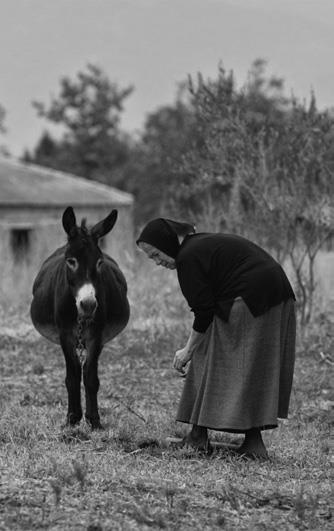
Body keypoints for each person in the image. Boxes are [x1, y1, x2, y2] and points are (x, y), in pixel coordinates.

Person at [136, 218, 296, 459]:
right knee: (248, 365)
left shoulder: (187, 258)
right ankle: (246, 441)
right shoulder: (196, 246)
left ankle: (201, 438)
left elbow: (203, 313)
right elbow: (207, 310)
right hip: (277, 294)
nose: (158, 262)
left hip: (253, 296)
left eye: (157, 254)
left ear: (167, 244)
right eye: (152, 258)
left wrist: (187, 350)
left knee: (205, 353)